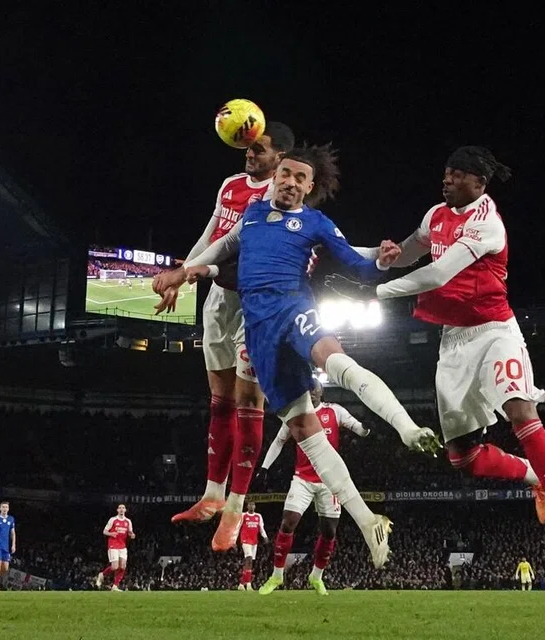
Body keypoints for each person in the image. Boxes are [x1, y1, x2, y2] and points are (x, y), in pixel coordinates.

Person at [157, 144, 438, 567]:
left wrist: (381, 260)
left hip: (294, 309)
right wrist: (185, 272)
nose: (289, 182)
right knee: (306, 430)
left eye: (299, 178)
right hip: (259, 333)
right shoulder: (251, 214)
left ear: (310, 187)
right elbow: (219, 250)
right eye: (285, 174)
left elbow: (356, 265)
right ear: (277, 176)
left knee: (336, 361)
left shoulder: (315, 223)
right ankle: (367, 522)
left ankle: (408, 428)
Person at [331, 146, 545, 574]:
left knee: (522, 413)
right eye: (446, 173)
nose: (447, 181)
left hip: (494, 332)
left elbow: (437, 274)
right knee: (462, 458)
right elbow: (414, 249)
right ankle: (534, 477)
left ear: (479, 183)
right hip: (454, 341)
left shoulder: (486, 222)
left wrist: (373, 293)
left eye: (456, 176)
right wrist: (382, 258)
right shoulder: (436, 214)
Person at [159, 123, 296, 552]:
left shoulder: (281, 196)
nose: (248, 154)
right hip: (218, 299)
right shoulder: (231, 185)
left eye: (258, 149)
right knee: (218, 401)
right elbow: (212, 234)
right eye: (248, 148)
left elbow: (250, 254)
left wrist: (197, 269)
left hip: (255, 304)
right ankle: (212, 494)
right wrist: (184, 275)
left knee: (248, 402)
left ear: (280, 158)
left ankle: (237, 506)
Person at [257, 379, 369, 595]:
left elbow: (359, 429)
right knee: (288, 522)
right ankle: (277, 576)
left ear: (321, 392)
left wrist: (366, 426)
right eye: (308, 390)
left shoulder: (334, 412)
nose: (312, 393)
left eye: (315, 390)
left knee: (329, 531)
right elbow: (279, 441)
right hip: (302, 479)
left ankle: (316, 576)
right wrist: (265, 467)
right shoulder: (296, 413)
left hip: (329, 481)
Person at [96, 504, 135, 591]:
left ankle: (115, 586)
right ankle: (102, 574)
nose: (121, 509)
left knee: (123, 566)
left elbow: (130, 533)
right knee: (114, 567)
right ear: (117, 510)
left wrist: (132, 535)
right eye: (120, 508)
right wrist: (111, 534)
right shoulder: (113, 519)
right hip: (113, 545)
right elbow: (104, 531)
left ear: (125, 510)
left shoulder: (128, 521)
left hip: (122, 546)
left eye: (123, 508)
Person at [237, 501, 268, 591]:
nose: (251, 506)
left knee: (249, 563)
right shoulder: (243, 515)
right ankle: (249, 584)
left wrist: (265, 537)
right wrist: (234, 540)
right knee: (249, 559)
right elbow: (238, 527)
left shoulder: (258, 516)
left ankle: (242, 584)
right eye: (250, 505)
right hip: (245, 540)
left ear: (255, 506)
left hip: (254, 541)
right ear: (247, 506)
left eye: (253, 505)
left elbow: (261, 528)